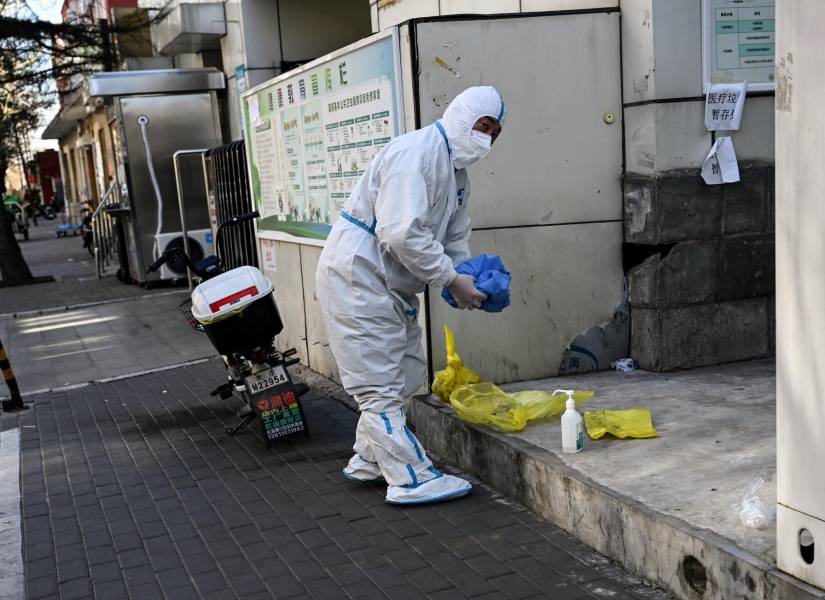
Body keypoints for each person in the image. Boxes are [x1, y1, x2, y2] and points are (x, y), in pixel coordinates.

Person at [315, 86, 505, 505]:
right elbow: (400, 233)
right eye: (483, 126)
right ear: (461, 115)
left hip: (390, 282)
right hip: (358, 276)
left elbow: (454, 236)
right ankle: (410, 478)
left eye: (494, 132)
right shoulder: (414, 154)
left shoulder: (456, 174)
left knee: (405, 372)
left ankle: (370, 457)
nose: (486, 139)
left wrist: (465, 276)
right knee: (378, 384)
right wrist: (450, 278)